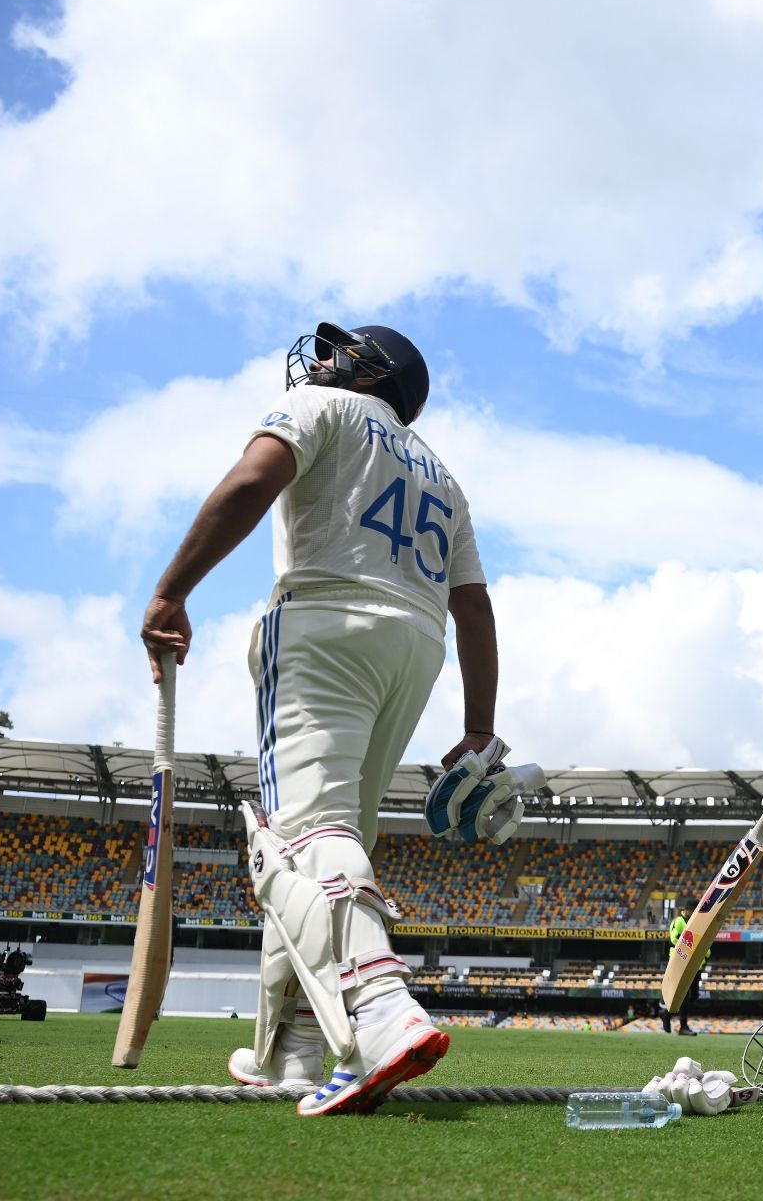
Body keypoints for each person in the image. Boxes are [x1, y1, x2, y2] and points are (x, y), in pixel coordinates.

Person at [141, 322, 504, 1116]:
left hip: (324, 624)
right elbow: (473, 606)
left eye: (344, 351)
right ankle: (297, 1052)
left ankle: (380, 1011)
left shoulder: (324, 405)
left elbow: (251, 480)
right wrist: (479, 728)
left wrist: (173, 590)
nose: (326, 360)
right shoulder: (444, 474)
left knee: (303, 838)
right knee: (328, 842)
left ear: (376, 375)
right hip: (416, 645)